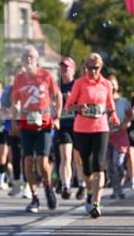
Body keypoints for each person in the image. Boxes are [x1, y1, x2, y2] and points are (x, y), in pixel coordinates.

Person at [64, 53, 118, 218]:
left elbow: (109, 102)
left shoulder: (106, 84)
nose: (93, 71)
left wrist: (113, 115)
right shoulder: (79, 83)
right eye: (90, 68)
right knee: (86, 168)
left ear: (100, 68)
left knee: (98, 164)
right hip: (81, 129)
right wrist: (78, 107)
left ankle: (96, 203)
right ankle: (89, 190)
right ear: (85, 67)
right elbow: (68, 106)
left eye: (96, 68)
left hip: (101, 128)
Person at [11, 45, 63, 214]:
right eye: (25, 56)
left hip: (45, 124)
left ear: (37, 60)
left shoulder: (46, 76)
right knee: (27, 161)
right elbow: (15, 101)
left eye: (31, 56)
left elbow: (58, 96)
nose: (28, 59)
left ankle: (48, 187)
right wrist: (15, 116)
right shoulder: (19, 79)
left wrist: (57, 117)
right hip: (26, 124)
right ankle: (34, 198)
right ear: (21, 60)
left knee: (42, 160)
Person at [56, 56, 86, 200]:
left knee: (78, 158)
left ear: (73, 69)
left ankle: (81, 185)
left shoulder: (78, 84)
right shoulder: (56, 86)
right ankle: (66, 186)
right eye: (62, 67)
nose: (64, 69)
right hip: (64, 125)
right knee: (65, 156)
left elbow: (85, 103)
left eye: (66, 67)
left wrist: (71, 99)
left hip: (78, 124)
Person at [105, 73, 131, 199]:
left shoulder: (123, 101)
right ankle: (115, 189)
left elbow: (130, 115)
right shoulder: (103, 101)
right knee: (109, 165)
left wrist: (126, 123)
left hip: (120, 135)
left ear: (117, 86)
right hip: (107, 136)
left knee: (118, 162)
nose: (112, 86)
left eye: (113, 84)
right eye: (109, 84)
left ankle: (120, 186)